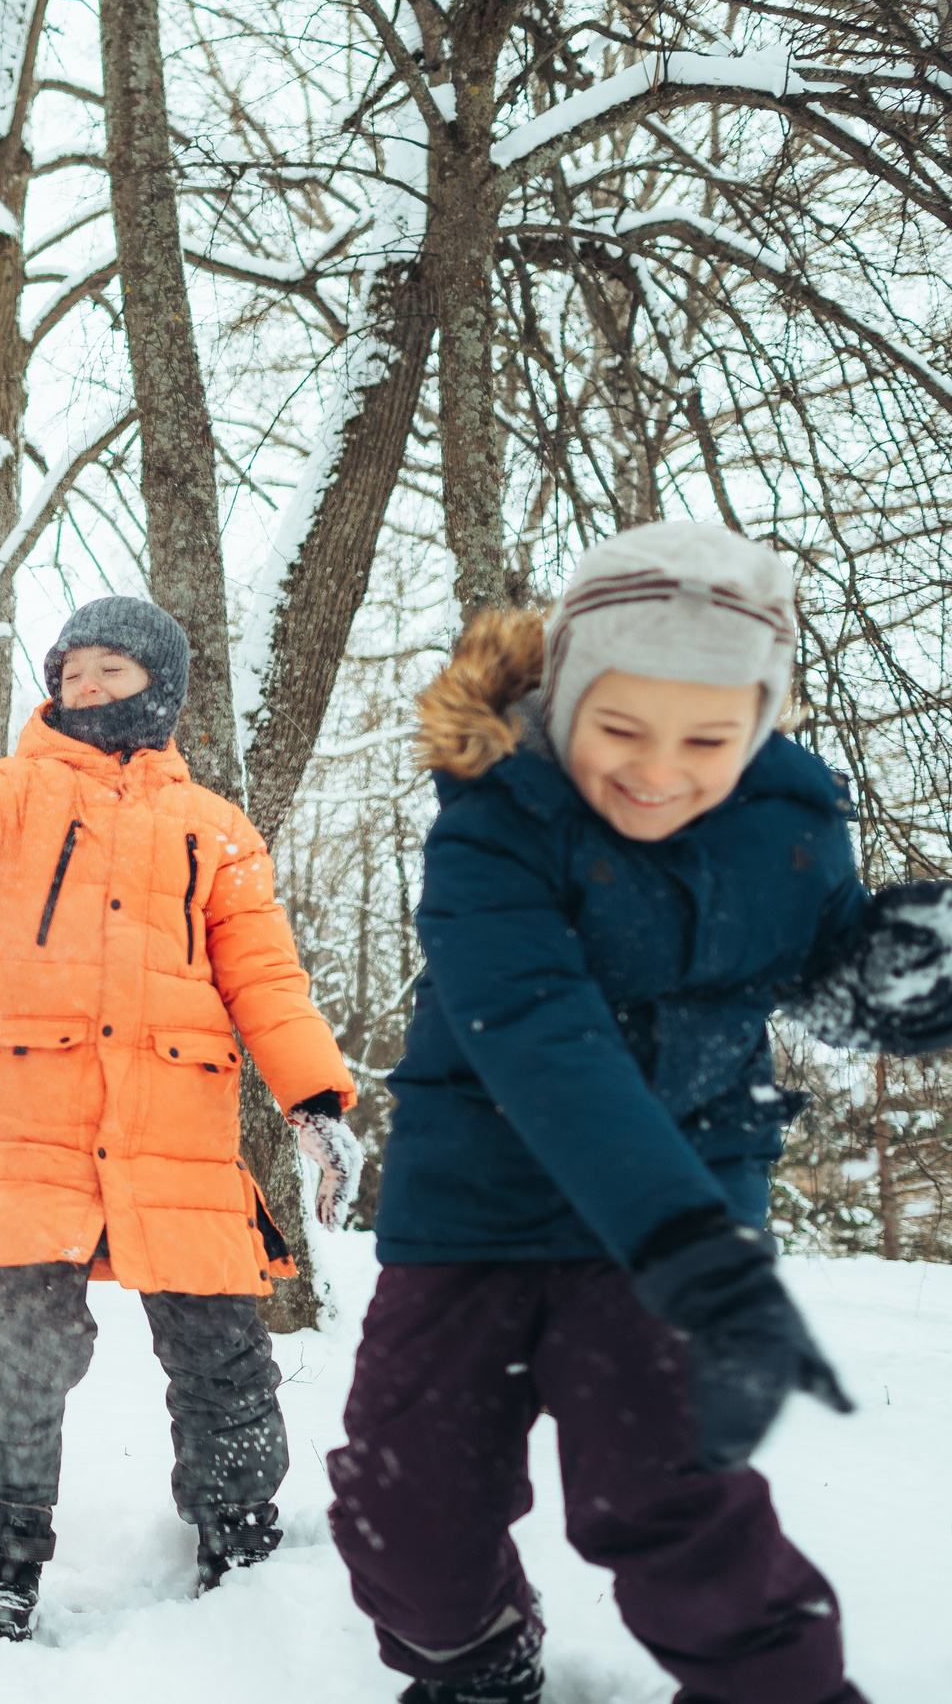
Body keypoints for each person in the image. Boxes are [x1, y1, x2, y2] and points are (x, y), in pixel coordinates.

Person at [328, 522, 952, 1704]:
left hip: (689, 1195)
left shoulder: (794, 818)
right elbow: (538, 1031)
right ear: (564, 699)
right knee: (409, 1501)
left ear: (760, 722)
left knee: (667, 1496)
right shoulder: (493, 817)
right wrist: (685, 1246)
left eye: (708, 737)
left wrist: (901, 980)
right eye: (621, 728)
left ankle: (775, 1692)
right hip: (480, 1208)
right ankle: (470, 1662)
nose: (660, 769)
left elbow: (818, 963)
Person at [0, 598, 360, 1638]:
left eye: (112, 669)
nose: (87, 687)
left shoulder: (217, 832)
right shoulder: (17, 798)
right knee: (21, 1352)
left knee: (221, 1356)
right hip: (34, 1138)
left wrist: (314, 1101)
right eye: (73, 670)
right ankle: (2, 1556)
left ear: (163, 686)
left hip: (180, 1141)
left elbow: (267, 980)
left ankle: (239, 1542)